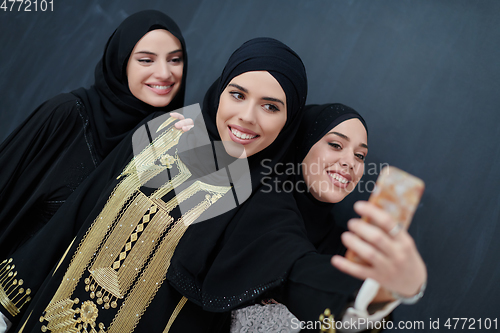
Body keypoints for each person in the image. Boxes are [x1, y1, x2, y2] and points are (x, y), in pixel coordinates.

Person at [0, 37, 309, 332]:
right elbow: (76, 214)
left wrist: (353, 298)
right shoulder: (162, 132)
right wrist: (6, 306)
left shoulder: (265, 202)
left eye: (271, 106)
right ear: (220, 92)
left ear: (288, 121)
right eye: (237, 94)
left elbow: (301, 272)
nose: (246, 116)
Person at [0, 10, 190, 260]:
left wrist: (184, 156)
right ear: (120, 63)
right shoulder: (65, 115)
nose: (165, 73)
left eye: (175, 60)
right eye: (146, 60)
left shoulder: (168, 142)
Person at [230, 103, 427, 332]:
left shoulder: (346, 248)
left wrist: (401, 287)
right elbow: (293, 263)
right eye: (335, 144)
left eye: (360, 155)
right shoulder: (253, 206)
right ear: (302, 143)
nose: (349, 163)